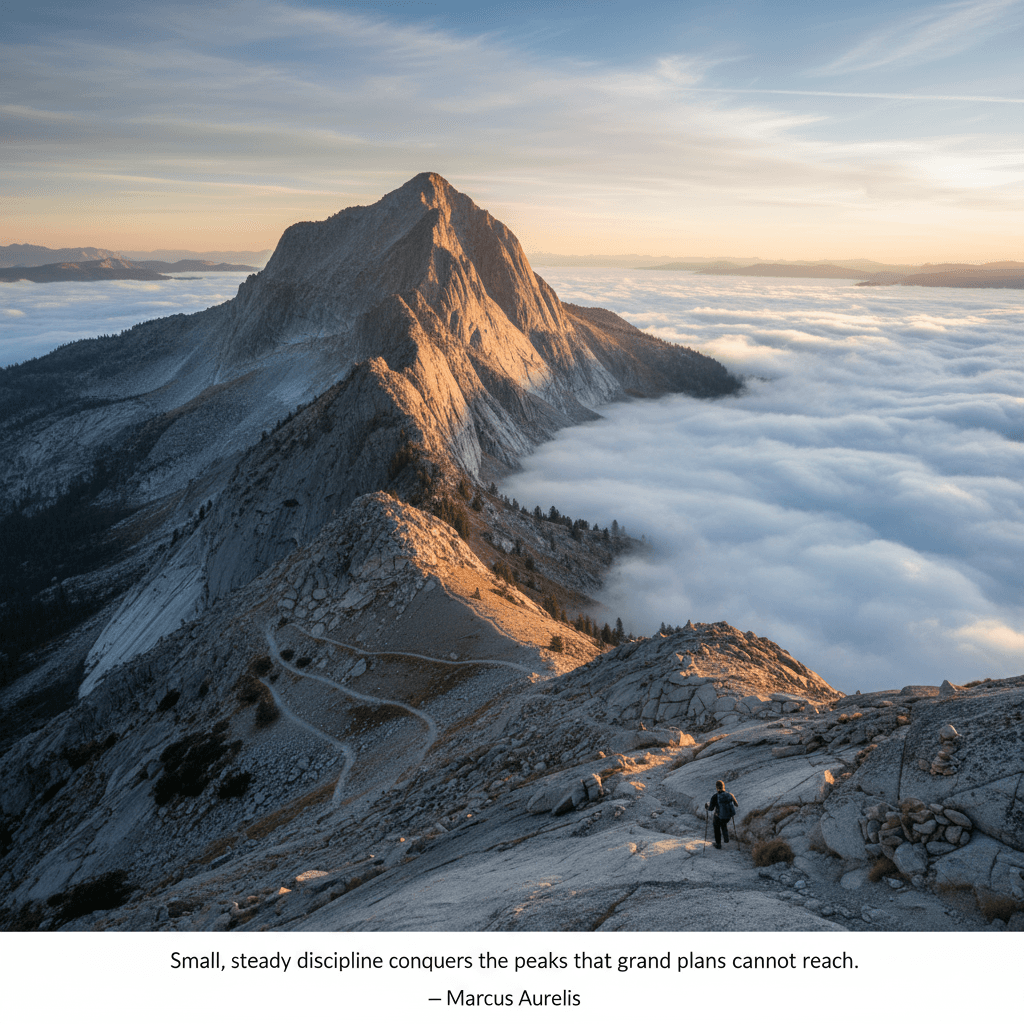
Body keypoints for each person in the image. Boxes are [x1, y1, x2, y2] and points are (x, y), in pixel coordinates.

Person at [705, 780, 738, 849]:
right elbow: (736, 804)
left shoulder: (715, 796)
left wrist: (707, 806)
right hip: (728, 816)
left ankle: (718, 844)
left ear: (717, 787)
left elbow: (711, 808)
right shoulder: (730, 794)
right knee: (723, 823)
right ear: (724, 787)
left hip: (719, 817)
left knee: (716, 826)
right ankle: (726, 839)